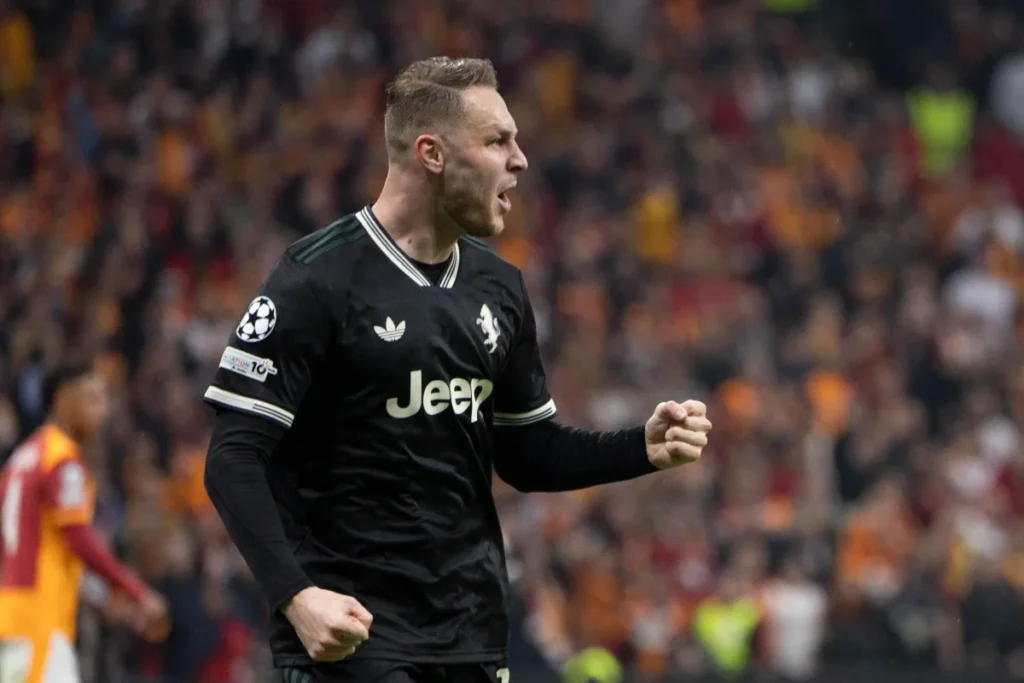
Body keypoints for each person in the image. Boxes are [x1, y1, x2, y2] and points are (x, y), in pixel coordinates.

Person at [202, 56, 713, 683]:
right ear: (432, 154)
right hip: (356, 638)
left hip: (469, 634)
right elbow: (232, 458)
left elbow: (528, 454)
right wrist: (296, 596)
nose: (520, 160)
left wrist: (641, 447)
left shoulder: (499, 287)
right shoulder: (314, 279)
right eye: (498, 141)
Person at [0, 363, 169, 683]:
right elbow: (80, 541)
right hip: (41, 623)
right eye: (92, 398)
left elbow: (47, 546)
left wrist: (102, 597)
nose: (102, 411)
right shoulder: (63, 460)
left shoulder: (22, 459)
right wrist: (138, 592)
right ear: (63, 399)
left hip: (11, 612)